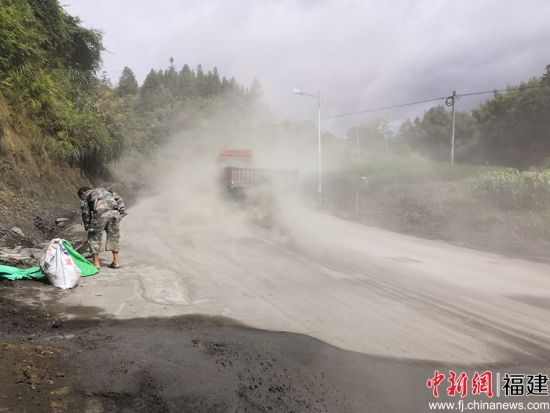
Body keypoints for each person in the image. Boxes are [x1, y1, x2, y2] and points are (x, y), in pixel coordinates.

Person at [77, 186, 126, 269]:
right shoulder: (105, 190)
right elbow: (119, 199)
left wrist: (87, 226)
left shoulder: (88, 195)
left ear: (82, 193)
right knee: (113, 236)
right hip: (114, 212)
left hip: (100, 214)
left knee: (93, 238)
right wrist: (121, 212)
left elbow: (85, 212)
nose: (82, 199)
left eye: (81, 197)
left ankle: (96, 264)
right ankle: (116, 262)